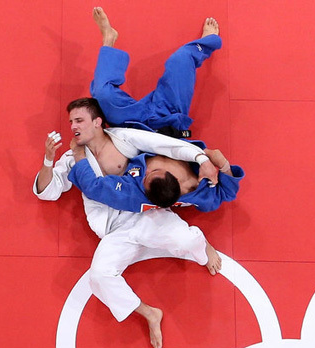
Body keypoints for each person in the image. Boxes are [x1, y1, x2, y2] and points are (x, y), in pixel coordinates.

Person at [34, 12, 231, 348]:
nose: (73, 128)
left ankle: (204, 249)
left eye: (78, 121)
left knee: (190, 243)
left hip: (155, 159)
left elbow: (161, 145)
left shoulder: (121, 136)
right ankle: (149, 313)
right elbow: (48, 191)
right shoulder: (73, 157)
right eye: (71, 122)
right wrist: (49, 159)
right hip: (117, 229)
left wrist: (201, 158)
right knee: (99, 276)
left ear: (98, 122)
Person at [67, 7, 244, 213]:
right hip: (169, 118)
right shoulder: (198, 189)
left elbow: (94, 188)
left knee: (102, 94)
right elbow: (228, 193)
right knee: (181, 60)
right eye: (155, 170)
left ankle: (109, 39)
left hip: (131, 125)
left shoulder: (134, 194)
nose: (147, 170)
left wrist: (79, 154)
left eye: (146, 175)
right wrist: (222, 165)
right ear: (176, 179)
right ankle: (207, 42)